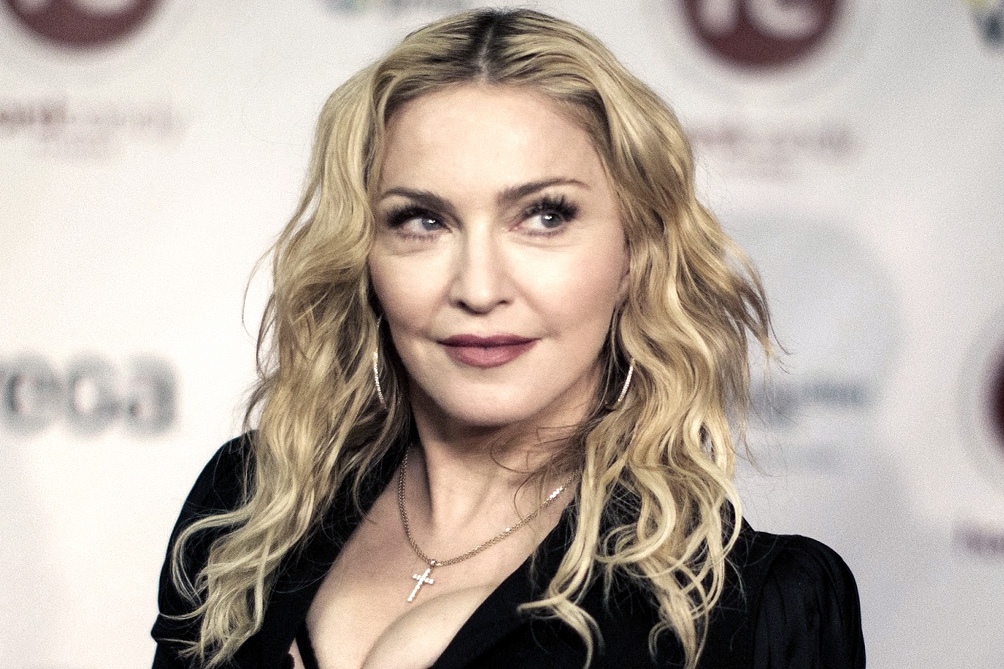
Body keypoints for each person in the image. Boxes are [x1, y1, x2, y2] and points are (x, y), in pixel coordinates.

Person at [152, 8, 865, 669]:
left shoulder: (748, 609)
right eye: (423, 221)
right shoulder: (250, 511)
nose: (479, 286)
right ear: (364, 256)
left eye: (545, 216)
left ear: (635, 252)